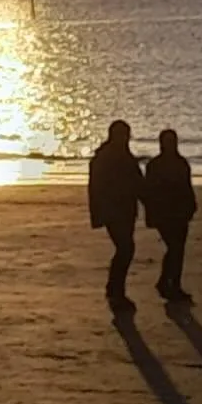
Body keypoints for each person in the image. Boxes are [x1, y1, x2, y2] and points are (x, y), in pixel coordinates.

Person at [88, 120, 144, 313]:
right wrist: (99, 214)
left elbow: (138, 183)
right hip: (114, 211)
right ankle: (114, 290)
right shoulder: (105, 157)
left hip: (126, 210)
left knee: (126, 248)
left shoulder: (123, 156)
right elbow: (96, 189)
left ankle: (115, 290)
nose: (126, 139)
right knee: (126, 248)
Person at [143, 128, 197, 304]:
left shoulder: (181, 163)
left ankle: (171, 283)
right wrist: (151, 214)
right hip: (165, 213)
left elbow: (187, 187)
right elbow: (148, 192)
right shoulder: (155, 165)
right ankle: (169, 284)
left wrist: (191, 206)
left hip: (180, 212)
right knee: (175, 248)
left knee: (177, 249)